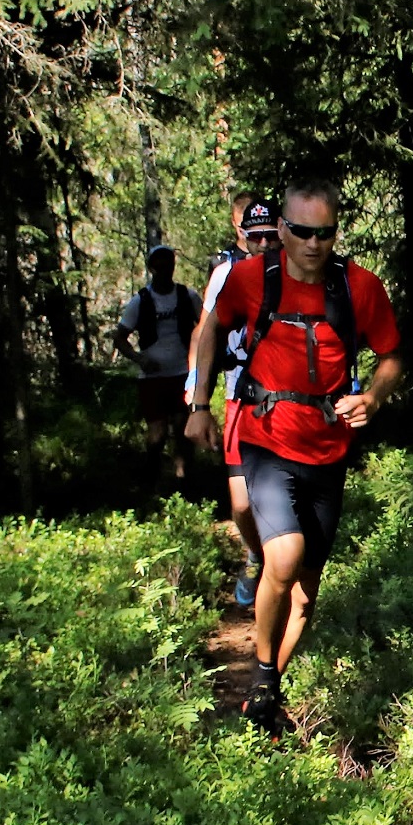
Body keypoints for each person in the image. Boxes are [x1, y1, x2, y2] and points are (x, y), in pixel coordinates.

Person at [186, 179, 404, 737]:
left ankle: (267, 688)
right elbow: (211, 328)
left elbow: (390, 357)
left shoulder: (358, 287)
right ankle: (261, 678)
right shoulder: (249, 278)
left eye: (324, 232)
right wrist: (199, 401)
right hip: (264, 437)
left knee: (305, 595)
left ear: (335, 232)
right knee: (282, 559)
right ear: (281, 229)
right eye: (301, 230)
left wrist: (373, 398)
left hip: (327, 449)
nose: (312, 242)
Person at [189, 197, 282, 606]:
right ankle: (256, 555)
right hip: (238, 396)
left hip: (285, 401)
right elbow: (206, 330)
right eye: (254, 235)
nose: (262, 243)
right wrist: (197, 395)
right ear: (241, 233)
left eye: (269, 235)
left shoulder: (297, 270)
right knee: (241, 502)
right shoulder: (227, 272)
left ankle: (284, 577)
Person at [113, 244, 201, 482]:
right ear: (151, 268)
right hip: (152, 378)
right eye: (159, 266)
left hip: (183, 373)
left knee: (184, 430)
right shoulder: (140, 301)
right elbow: (120, 337)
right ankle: (151, 478)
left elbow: (206, 327)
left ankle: (185, 481)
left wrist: (202, 359)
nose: (164, 271)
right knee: (157, 432)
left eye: (169, 265)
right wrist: (139, 358)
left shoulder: (187, 296)